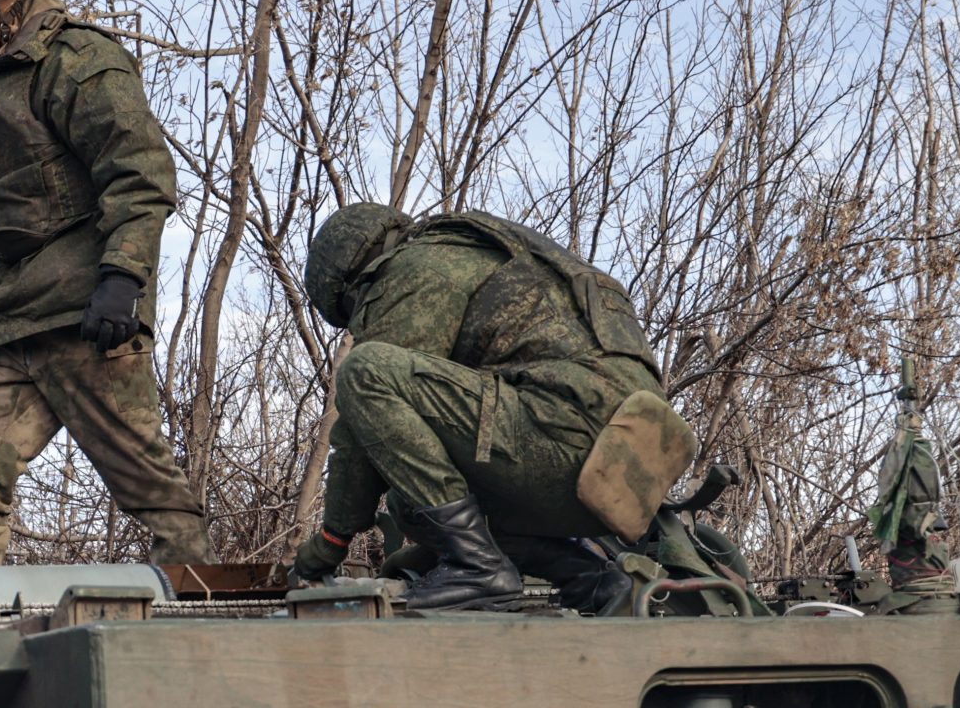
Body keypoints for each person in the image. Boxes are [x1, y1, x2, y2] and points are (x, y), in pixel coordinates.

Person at [0, 0, 210, 565]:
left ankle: (202, 613)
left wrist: (122, 277)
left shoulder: (76, 59)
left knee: (146, 482)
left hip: (87, 310)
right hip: (15, 315)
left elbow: (139, 171)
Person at [289, 204, 688, 612]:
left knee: (365, 369)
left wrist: (332, 539)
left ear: (353, 281)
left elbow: (361, 427)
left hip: (567, 439)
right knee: (410, 506)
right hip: (627, 478)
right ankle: (592, 579)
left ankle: (478, 567)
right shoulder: (484, 254)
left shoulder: (420, 265)